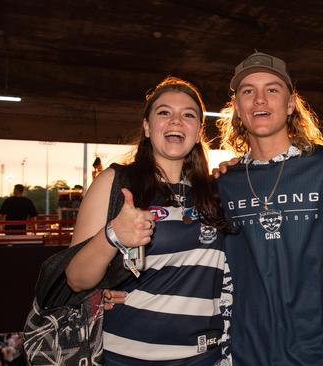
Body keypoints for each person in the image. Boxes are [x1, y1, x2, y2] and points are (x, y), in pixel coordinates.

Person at [65, 76, 229, 365]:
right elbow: (76, 279)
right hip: (129, 356)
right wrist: (113, 235)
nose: (176, 121)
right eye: (164, 112)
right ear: (146, 126)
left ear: (199, 130)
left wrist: (244, 168)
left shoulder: (216, 191)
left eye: (188, 115)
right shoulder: (116, 182)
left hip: (205, 356)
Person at [215, 51, 323, 366]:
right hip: (246, 352)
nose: (260, 100)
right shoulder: (223, 186)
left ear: (291, 103)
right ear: (238, 108)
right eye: (248, 92)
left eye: (272, 89)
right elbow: (195, 260)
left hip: (322, 350)